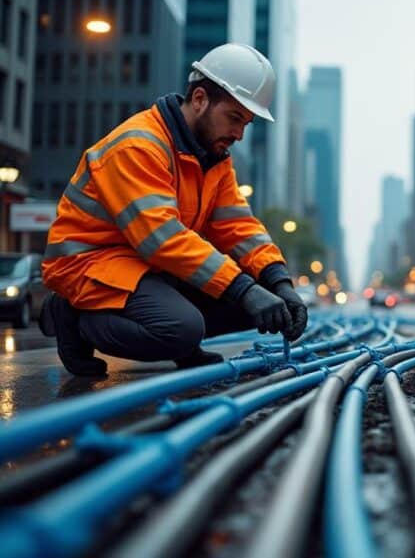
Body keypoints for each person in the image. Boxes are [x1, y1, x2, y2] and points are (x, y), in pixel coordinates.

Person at [39, 43, 308, 377]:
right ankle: (74, 317)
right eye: (234, 118)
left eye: (246, 123)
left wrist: (278, 283)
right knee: (183, 326)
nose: (239, 133)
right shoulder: (139, 146)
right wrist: (244, 289)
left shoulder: (214, 159)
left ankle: (183, 342)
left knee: (263, 304)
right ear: (199, 99)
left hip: (148, 267)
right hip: (91, 266)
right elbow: (161, 238)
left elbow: (239, 227)